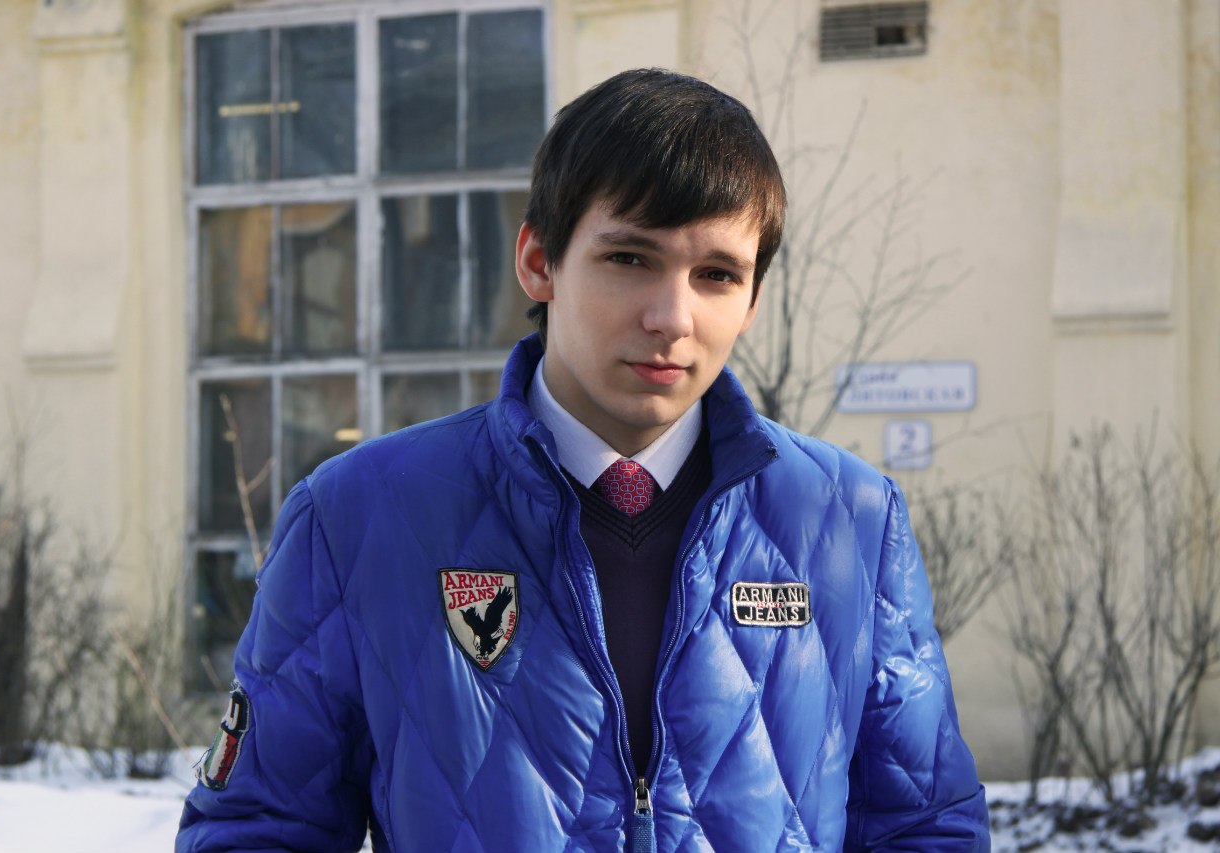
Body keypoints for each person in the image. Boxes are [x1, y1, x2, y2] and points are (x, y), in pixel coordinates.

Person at [177, 68, 990, 853]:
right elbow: (256, 828)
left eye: (716, 275)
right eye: (630, 258)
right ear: (540, 261)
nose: (672, 317)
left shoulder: (850, 519)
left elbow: (925, 827)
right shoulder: (359, 515)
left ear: (750, 300)